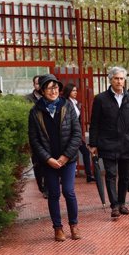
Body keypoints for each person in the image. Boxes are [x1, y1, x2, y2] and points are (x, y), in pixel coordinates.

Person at [27, 74, 83, 241]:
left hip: (68, 159)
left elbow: (76, 133)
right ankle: (58, 228)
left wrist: (66, 156)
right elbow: (34, 140)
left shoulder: (67, 106)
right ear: (42, 90)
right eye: (49, 88)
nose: (53, 91)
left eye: (56, 87)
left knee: (68, 191)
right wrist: (48, 159)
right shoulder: (35, 111)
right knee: (53, 194)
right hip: (48, 161)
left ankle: (74, 225)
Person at [88, 67, 129, 219]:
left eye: (122, 79)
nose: (119, 81)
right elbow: (95, 123)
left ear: (125, 80)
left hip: (127, 143)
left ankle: (122, 202)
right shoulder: (100, 99)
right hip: (108, 143)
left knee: (125, 176)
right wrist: (93, 144)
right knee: (111, 174)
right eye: (116, 78)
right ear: (110, 79)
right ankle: (114, 206)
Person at [61, 83, 95, 183]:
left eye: (76, 90)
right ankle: (64, 177)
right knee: (68, 155)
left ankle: (89, 176)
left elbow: (78, 121)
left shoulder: (76, 103)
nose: (75, 92)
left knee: (85, 152)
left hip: (76, 135)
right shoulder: (65, 103)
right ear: (68, 92)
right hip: (69, 135)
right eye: (73, 90)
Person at [25, 75, 47, 197]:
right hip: (35, 137)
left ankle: (48, 188)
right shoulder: (28, 99)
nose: (39, 85)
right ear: (34, 85)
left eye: (41, 83)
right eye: (37, 83)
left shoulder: (49, 97)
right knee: (37, 164)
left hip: (48, 137)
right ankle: (42, 187)